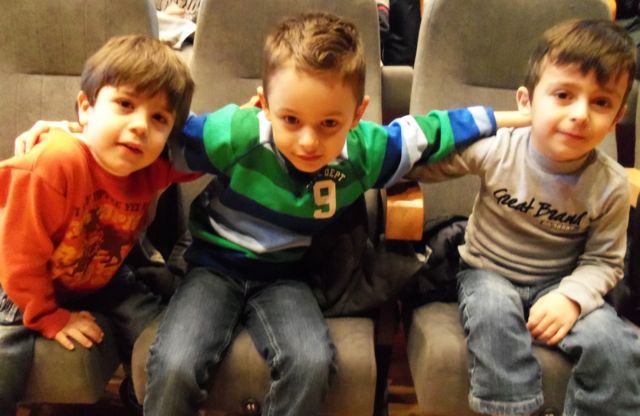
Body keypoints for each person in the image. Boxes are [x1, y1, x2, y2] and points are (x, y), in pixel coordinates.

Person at [140, 11, 526, 416]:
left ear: (357, 116)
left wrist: (512, 119)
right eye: (291, 120)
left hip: (288, 275)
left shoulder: (360, 152)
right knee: (174, 364)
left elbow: (427, 132)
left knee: (310, 363)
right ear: (264, 105)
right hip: (214, 266)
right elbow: (164, 135)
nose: (309, 141)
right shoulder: (239, 132)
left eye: (329, 123)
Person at [408, 18, 640, 416]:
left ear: (617, 117)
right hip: (487, 272)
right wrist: (388, 159)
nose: (581, 114)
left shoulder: (611, 185)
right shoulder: (499, 148)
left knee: (616, 345)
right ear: (526, 102)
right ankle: (511, 409)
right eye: (563, 95)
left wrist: (570, 298)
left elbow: (604, 261)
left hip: (561, 281)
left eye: (601, 102)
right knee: (493, 315)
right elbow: (425, 164)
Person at [0, 34, 196, 414]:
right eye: (125, 104)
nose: (140, 126)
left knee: (160, 332)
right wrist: (49, 316)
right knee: (5, 359)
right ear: (85, 108)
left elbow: (213, 149)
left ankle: (142, 397)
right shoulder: (55, 162)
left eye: (158, 118)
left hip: (98, 276)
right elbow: (19, 259)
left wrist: (262, 117)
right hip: (20, 283)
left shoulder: (147, 168)